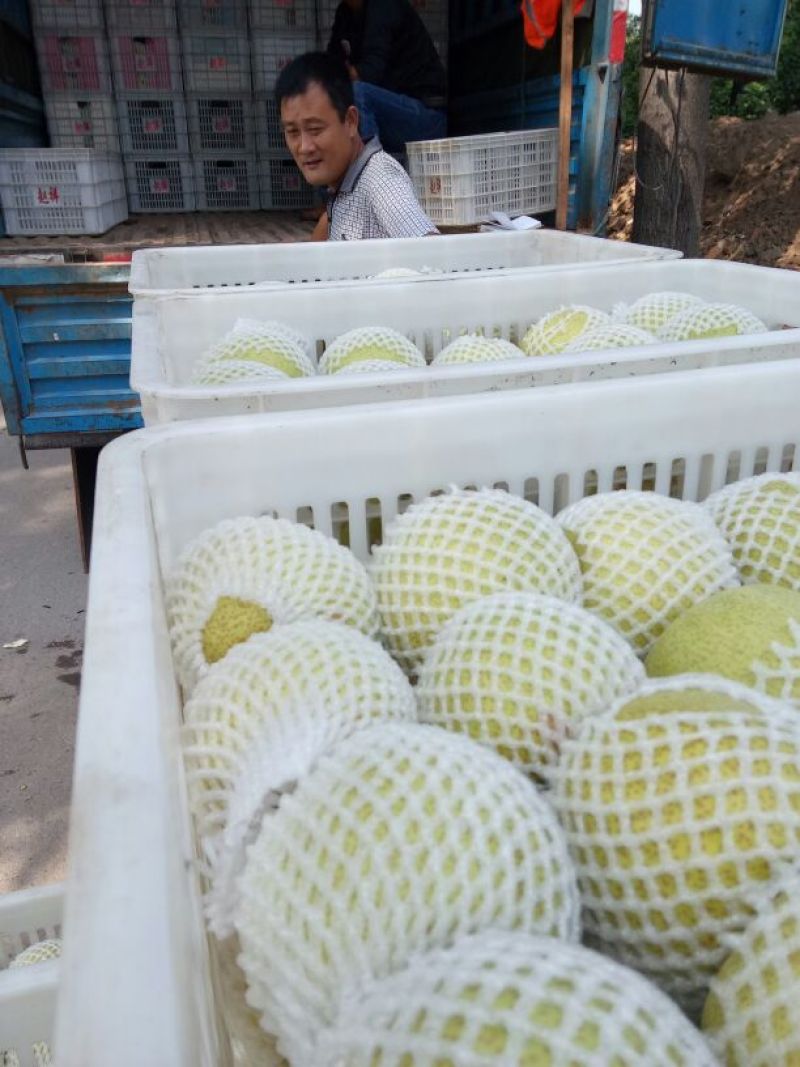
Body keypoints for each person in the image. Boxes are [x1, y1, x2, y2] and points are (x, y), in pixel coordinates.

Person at [275, 52, 438, 242]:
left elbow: (431, 251)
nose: (304, 147)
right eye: (293, 132)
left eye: (315, 129)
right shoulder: (342, 189)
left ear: (351, 121)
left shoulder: (381, 181)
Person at [326, 0, 447, 153]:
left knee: (358, 93)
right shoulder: (345, 13)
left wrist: (344, 73)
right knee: (332, 101)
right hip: (393, 114)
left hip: (428, 117)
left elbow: (371, 72)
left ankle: (374, 172)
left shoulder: (384, 5)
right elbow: (329, 66)